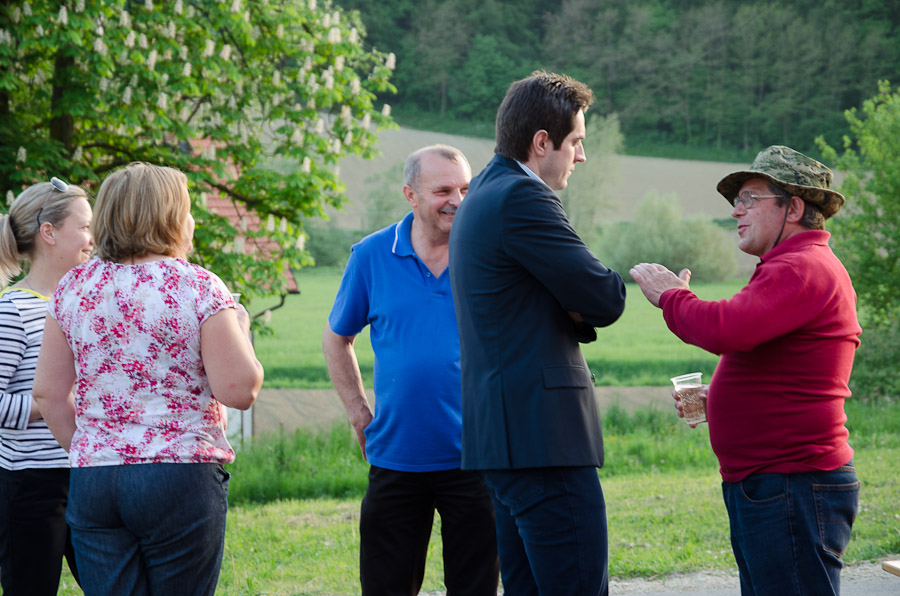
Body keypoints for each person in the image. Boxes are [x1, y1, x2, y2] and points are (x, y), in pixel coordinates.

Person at [629, 145, 861, 596]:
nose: (737, 210)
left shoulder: (800, 267)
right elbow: (778, 365)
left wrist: (671, 296)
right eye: (739, 200)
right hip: (778, 484)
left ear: (794, 208)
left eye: (750, 198)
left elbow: (725, 328)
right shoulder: (791, 267)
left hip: (791, 483)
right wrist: (722, 402)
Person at [32, 162, 264, 596]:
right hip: (179, 474)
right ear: (171, 218)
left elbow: (47, 392)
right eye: (188, 211)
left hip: (96, 479)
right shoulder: (198, 286)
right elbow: (239, 389)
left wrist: (93, 449)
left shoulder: (73, 288)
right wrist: (241, 328)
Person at [448, 72, 627, 595]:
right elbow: (605, 297)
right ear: (542, 142)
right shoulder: (524, 198)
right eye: (576, 142)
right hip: (543, 440)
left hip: (503, 439)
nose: (582, 156)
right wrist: (577, 301)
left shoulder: (483, 192)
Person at [323, 145, 500, 595]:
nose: (457, 200)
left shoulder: (488, 254)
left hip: (477, 458)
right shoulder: (371, 255)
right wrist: (358, 411)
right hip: (396, 459)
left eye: (465, 189)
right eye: (443, 190)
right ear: (410, 195)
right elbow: (337, 338)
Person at [0, 177, 91, 595]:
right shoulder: (12, 310)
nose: (93, 237)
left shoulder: (83, 304)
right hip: (31, 487)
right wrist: (49, 403)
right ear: (49, 233)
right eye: (84, 226)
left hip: (86, 476)